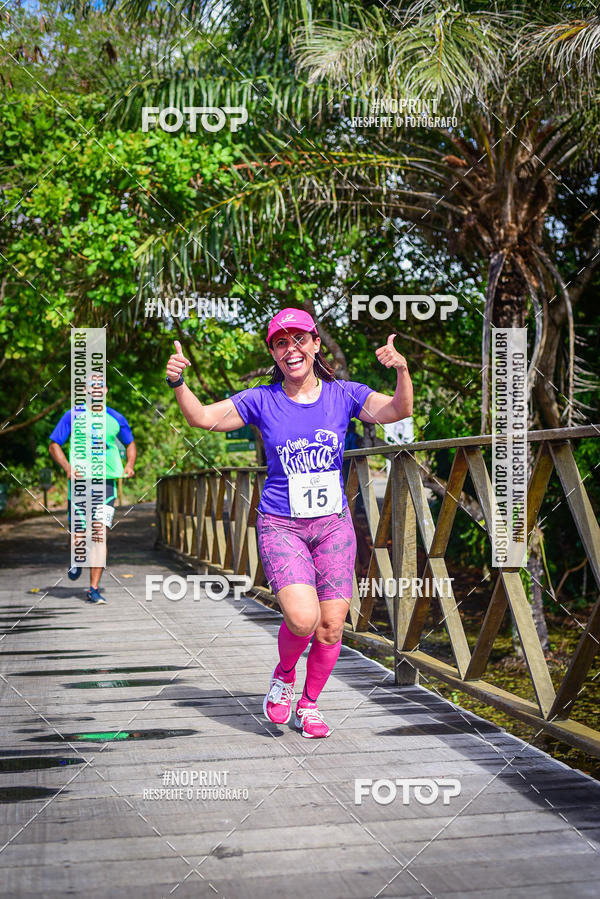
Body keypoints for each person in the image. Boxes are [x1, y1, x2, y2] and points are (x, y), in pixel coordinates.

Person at [166, 307, 412, 738]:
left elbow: (396, 411)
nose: (291, 348)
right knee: (302, 619)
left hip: (333, 526)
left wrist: (402, 371)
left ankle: (310, 704)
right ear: (274, 353)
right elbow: (201, 418)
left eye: (298, 339)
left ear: (315, 344)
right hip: (282, 524)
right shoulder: (261, 399)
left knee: (332, 625)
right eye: (281, 342)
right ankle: (283, 677)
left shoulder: (345, 394)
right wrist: (178, 382)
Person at [48, 381, 136, 604]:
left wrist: (130, 465)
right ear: (85, 391)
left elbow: (130, 444)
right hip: (79, 484)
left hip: (106, 485)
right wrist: (68, 468)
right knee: (79, 532)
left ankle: (93, 589)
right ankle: (77, 559)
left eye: (100, 385)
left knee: (99, 534)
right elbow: (54, 444)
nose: (96, 389)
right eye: (91, 386)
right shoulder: (72, 415)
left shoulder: (116, 418)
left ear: (106, 390)